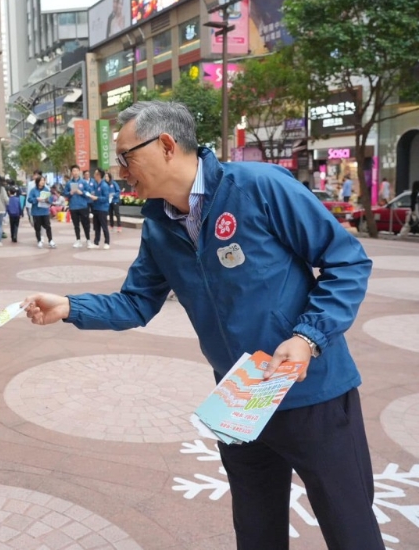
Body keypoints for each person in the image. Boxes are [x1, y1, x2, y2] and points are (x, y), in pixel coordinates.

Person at [24, 101, 384, 550]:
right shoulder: (159, 225)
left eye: (126, 157)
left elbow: (346, 261)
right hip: (241, 397)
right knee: (256, 530)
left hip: (313, 391)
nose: (120, 171)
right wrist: (69, 307)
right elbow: (137, 302)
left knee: (349, 527)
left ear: (166, 145)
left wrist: (308, 336)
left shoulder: (259, 186)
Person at [63, 166, 95, 248]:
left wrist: (82, 192)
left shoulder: (83, 182)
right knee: (76, 225)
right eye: (74, 171)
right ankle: (78, 240)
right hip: (73, 207)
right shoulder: (69, 183)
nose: (75, 172)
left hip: (83, 206)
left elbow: (89, 192)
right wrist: (70, 193)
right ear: (71, 172)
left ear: (79, 172)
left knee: (86, 224)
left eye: (77, 170)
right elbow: (65, 193)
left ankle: (88, 240)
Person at [27, 176, 56, 249]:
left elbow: (51, 199)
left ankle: (50, 240)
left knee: (48, 226)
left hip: (45, 211)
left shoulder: (46, 190)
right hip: (36, 212)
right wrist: (36, 199)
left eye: (43, 180)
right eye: (41, 180)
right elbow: (29, 199)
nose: (43, 182)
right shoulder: (33, 190)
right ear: (37, 182)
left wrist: (47, 200)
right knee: (37, 227)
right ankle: (39, 240)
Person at [91, 169, 111, 249]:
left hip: (102, 209)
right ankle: (96, 242)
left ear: (99, 175)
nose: (94, 175)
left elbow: (106, 198)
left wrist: (97, 198)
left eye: (95, 174)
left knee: (104, 226)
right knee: (96, 227)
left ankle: (107, 242)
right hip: (96, 208)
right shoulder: (97, 185)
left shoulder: (104, 185)